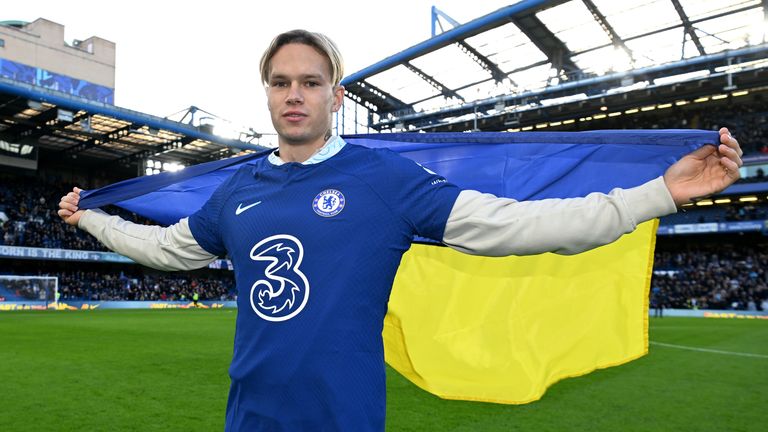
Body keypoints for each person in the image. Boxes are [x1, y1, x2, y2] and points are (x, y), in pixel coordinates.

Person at [58, 29, 743, 431]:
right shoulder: (238, 189)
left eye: (310, 81)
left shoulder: (385, 183)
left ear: (336, 95)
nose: (294, 94)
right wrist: (89, 217)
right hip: (250, 417)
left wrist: (659, 193)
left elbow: (529, 227)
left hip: (344, 417)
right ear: (265, 92)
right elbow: (164, 250)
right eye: (279, 82)